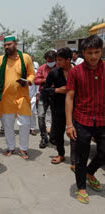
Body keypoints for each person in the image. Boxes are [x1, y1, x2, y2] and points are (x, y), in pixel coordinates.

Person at [66, 35, 105, 204]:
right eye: (90, 52)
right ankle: (81, 186)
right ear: (83, 52)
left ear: (101, 51)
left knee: (103, 152)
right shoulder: (75, 72)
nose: (93, 56)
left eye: (97, 52)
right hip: (82, 120)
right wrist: (69, 124)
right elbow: (69, 97)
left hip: (103, 119)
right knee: (81, 156)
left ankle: (90, 172)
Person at [0, 36, 35, 160]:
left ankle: (23, 149)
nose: (7, 47)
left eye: (9, 44)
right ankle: (11, 147)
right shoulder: (1, 59)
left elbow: (31, 73)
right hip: (6, 98)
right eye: (5, 45)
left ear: (15, 44)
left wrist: (28, 81)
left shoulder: (25, 57)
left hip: (22, 97)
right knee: (7, 125)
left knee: (24, 124)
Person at [43, 48, 73, 164]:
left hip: (77, 107)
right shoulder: (54, 72)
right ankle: (61, 154)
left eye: (60, 60)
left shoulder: (77, 71)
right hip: (58, 107)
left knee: (76, 134)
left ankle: (75, 159)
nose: (57, 63)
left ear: (68, 60)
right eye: (56, 60)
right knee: (59, 133)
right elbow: (45, 90)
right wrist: (57, 90)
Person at [34, 50, 57, 149]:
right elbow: (36, 80)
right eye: (49, 60)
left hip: (56, 94)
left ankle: (53, 136)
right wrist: (46, 80)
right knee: (40, 116)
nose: (50, 62)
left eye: (52, 60)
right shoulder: (41, 68)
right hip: (44, 94)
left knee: (56, 117)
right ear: (45, 59)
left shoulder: (59, 68)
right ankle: (44, 137)